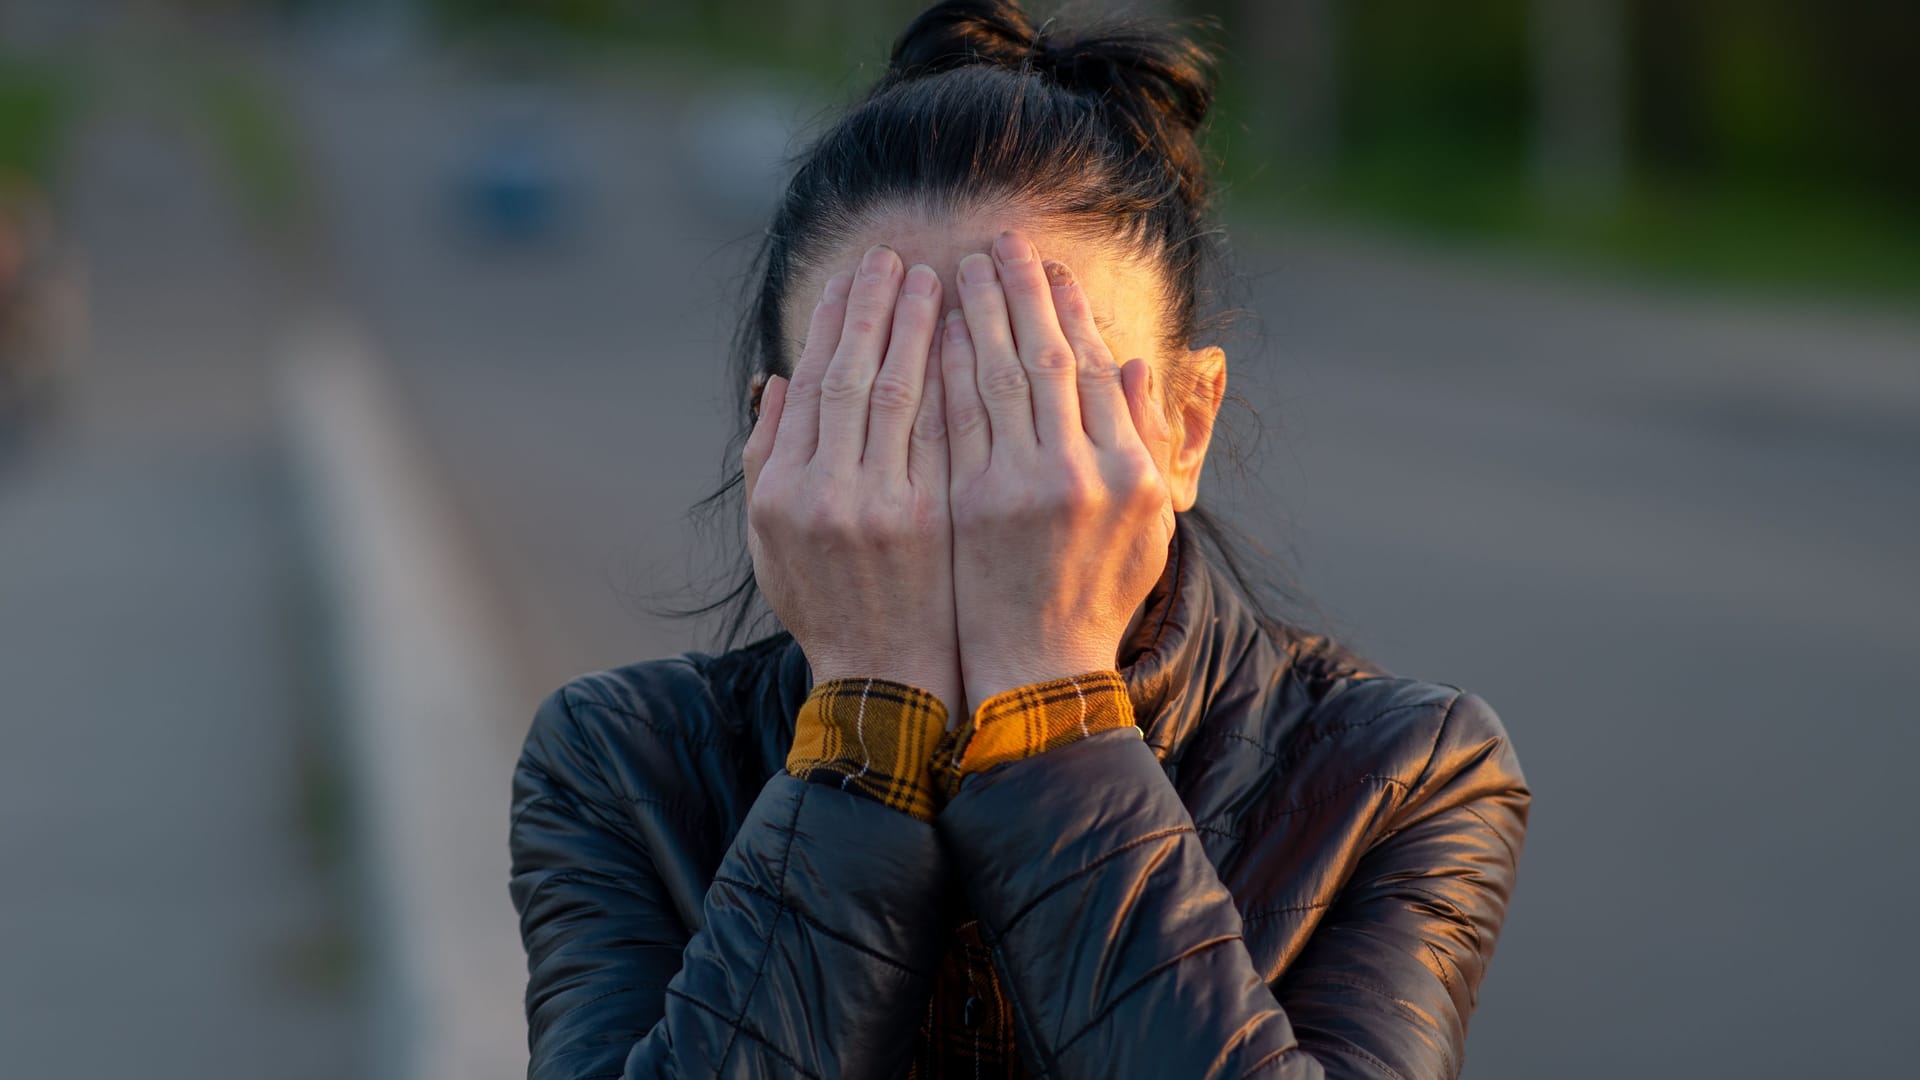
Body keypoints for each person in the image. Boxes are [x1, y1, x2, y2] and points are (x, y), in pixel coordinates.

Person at [507, 2, 1531, 1077]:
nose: (991, 487)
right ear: (777, 442)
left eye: (1048, 409)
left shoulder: (1399, 771)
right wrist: (866, 725)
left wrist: (1050, 706)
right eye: (886, 410)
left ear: (1184, 430)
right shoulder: (622, 763)